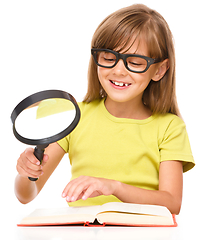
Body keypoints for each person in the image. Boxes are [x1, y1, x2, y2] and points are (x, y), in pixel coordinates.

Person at [15, 4, 195, 214]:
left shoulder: (170, 127)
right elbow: (26, 194)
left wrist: (114, 187)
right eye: (109, 58)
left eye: (135, 62)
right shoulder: (74, 117)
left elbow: (172, 203)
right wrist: (26, 173)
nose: (119, 70)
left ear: (160, 70)